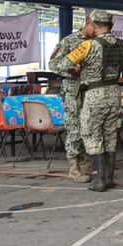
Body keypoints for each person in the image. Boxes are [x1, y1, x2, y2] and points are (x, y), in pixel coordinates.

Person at [77, 11, 123, 192]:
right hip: (114, 93)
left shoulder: (88, 45)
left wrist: (79, 68)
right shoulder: (122, 45)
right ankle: (109, 178)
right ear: (111, 25)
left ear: (94, 25)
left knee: (92, 134)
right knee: (110, 136)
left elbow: (62, 64)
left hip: (94, 94)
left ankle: (98, 181)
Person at [48, 17, 97, 183]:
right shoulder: (69, 41)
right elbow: (53, 64)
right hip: (74, 92)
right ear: (88, 24)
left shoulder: (98, 42)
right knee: (74, 129)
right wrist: (71, 70)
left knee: (90, 128)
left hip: (92, 91)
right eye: (95, 27)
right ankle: (74, 169)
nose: (97, 31)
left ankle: (88, 164)